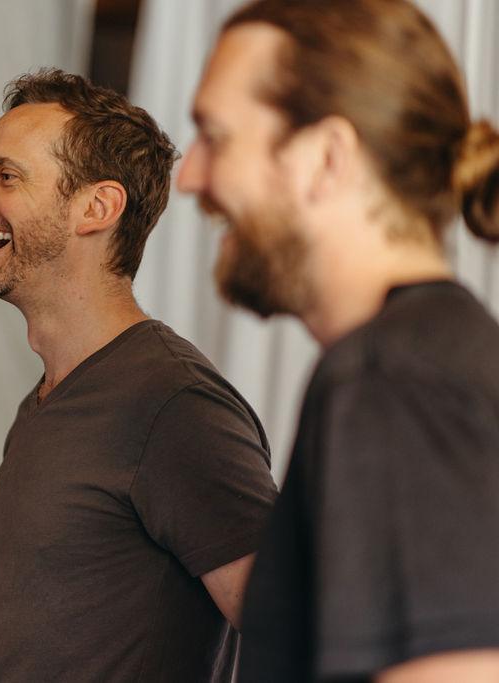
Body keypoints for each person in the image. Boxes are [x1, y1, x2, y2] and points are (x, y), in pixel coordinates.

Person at [176, 0, 499, 681]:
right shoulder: (434, 355)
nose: (190, 177)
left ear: (326, 157)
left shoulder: (393, 378)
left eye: (216, 136)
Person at [0, 68, 278, 682]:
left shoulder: (173, 404)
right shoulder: (46, 404)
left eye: (6, 176)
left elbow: (299, 629)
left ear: (97, 207)